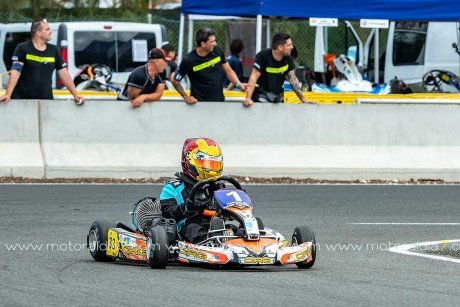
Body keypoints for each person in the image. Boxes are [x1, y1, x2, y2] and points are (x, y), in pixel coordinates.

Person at [0, 19, 85, 105]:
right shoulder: (22, 48)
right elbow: (15, 72)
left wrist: (75, 94)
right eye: (47, 29)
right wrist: (8, 94)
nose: (51, 32)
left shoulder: (54, 50)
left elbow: (64, 74)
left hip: (46, 101)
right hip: (23, 100)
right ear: (39, 33)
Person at [159, 137, 224, 244]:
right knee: (194, 229)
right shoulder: (174, 187)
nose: (211, 169)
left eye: (214, 164)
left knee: (234, 229)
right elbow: (166, 212)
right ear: (189, 162)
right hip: (187, 226)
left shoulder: (217, 187)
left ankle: (251, 241)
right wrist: (185, 208)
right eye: (207, 164)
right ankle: (211, 244)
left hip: (216, 225)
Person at [172, 28, 246, 104]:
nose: (215, 43)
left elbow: (228, 71)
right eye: (212, 41)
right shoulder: (188, 60)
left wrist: (239, 84)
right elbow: (175, 81)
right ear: (203, 44)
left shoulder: (217, 51)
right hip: (199, 105)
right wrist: (185, 97)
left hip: (219, 103)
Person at [243, 32, 315, 106]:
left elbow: (292, 78)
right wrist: (248, 98)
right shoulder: (263, 56)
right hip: (260, 98)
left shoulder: (288, 58)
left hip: (277, 99)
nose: (292, 47)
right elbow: (253, 77)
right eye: (289, 45)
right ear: (280, 47)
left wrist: (303, 99)